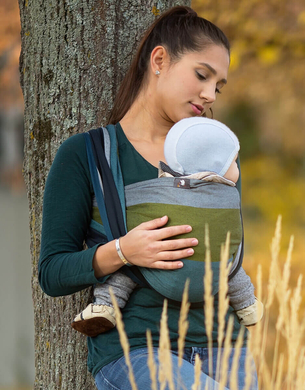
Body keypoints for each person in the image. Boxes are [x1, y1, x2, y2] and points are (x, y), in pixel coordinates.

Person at [39, 6, 258, 390]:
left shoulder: (217, 157)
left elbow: (226, 254)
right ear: (160, 60)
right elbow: (52, 272)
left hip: (225, 345)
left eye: (218, 86)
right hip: (137, 348)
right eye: (201, 75)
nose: (209, 95)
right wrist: (123, 251)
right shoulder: (88, 153)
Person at [71, 117, 262, 338]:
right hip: (213, 275)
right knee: (231, 268)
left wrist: (99, 210)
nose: (236, 168)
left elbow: (131, 204)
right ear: (217, 164)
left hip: (161, 268)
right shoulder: (230, 197)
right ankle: (247, 306)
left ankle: (105, 306)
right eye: (233, 161)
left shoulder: (163, 187)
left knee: (129, 268)